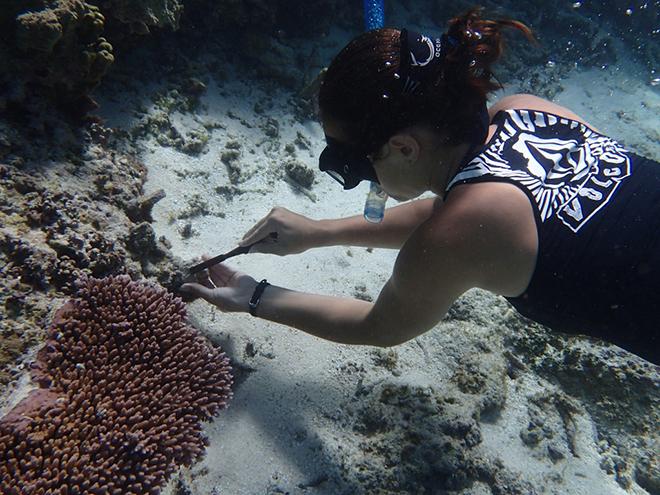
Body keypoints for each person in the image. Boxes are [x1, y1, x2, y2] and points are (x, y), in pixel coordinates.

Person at [181, 8, 659, 364]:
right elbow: (452, 214)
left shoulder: (461, 233)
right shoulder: (525, 109)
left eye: (351, 163)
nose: (361, 180)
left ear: (405, 148)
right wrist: (319, 232)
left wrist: (254, 297)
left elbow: (379, 325)